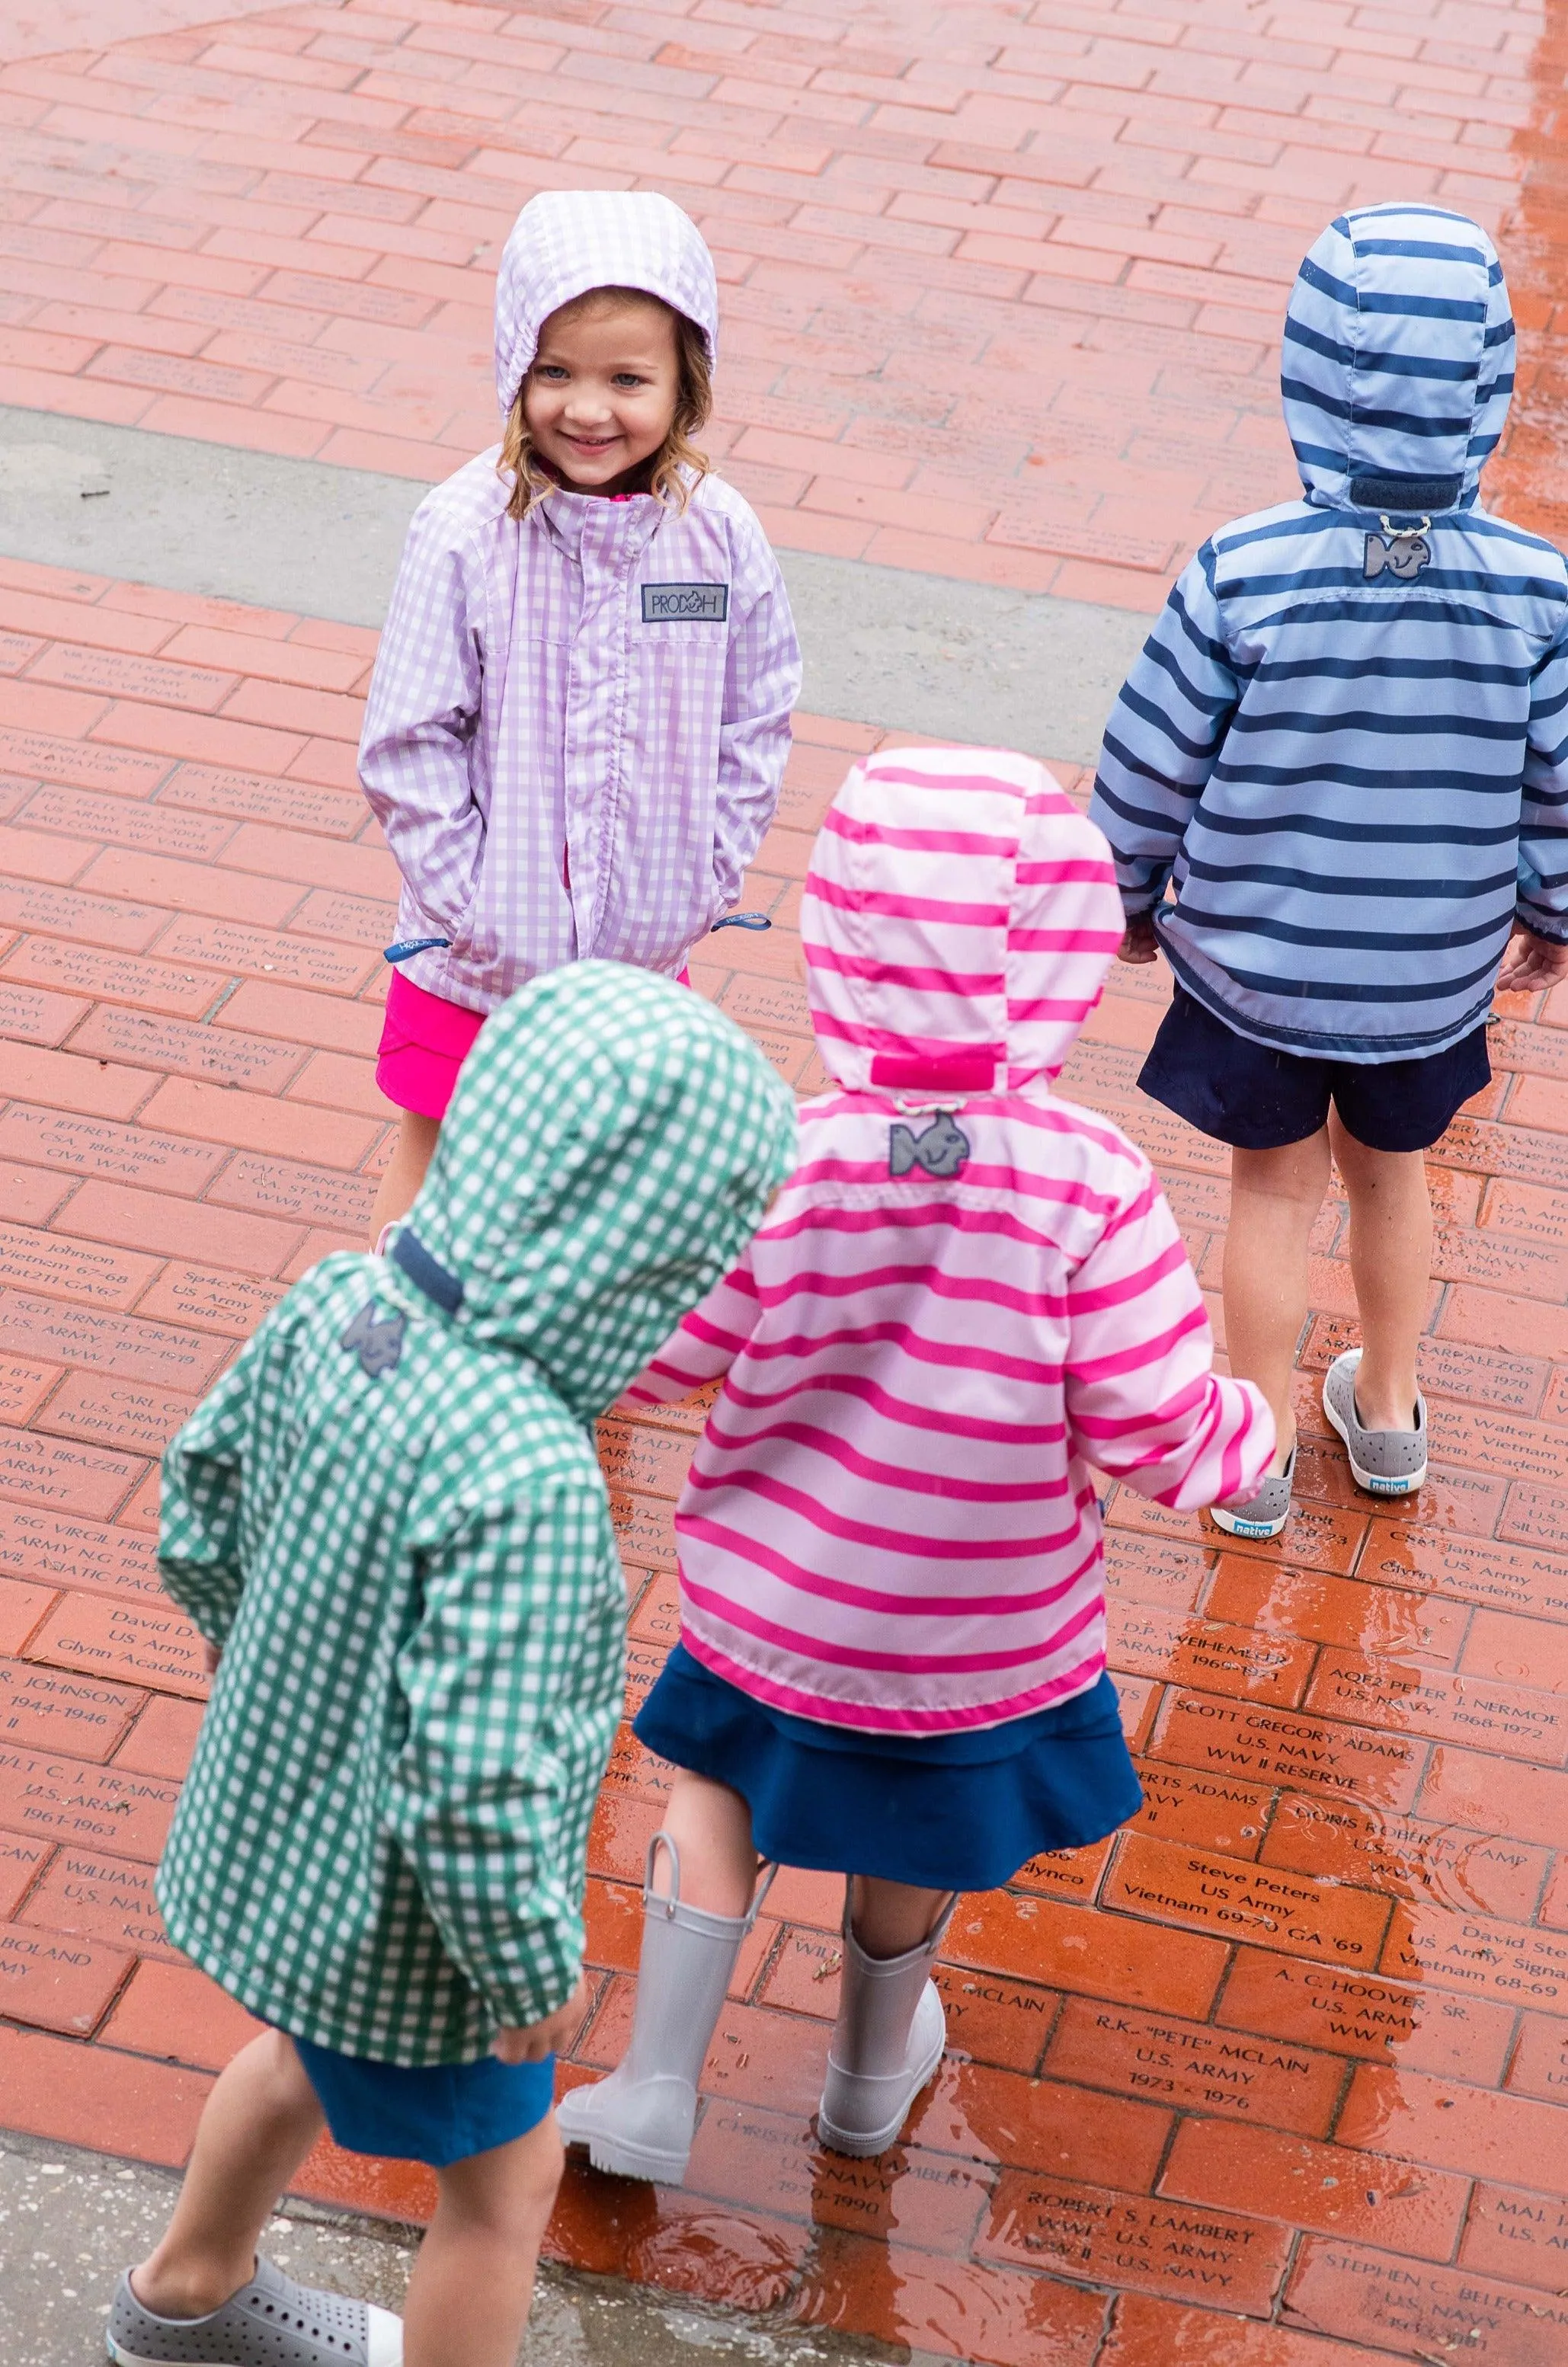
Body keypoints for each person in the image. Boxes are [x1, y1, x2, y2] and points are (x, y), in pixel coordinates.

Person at [556, 747, 1274, 2185]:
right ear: (1059, 954)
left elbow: (676, 1347)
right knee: (913, 1840)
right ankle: (868, 2080)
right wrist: (1236, 1434)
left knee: (715, 1785)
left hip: (774, 1596)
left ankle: (652, 2080)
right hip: (979, 1620)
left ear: (844, 939)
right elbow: (1144, 1417)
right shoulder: (1089, 1180)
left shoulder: (782, 1151)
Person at [109, 964, 796, 2367]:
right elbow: (471, 1786)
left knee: (296, 2047)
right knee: (504, 2190)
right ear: (641, 1251)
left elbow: (199, 1503)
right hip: (419, 1936)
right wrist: (526, 1973)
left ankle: (181, 2294)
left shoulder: (339, 1299)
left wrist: (278, 1680)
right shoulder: (528, 1473)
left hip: (281, 1841)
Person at [1090, 201, 1568, 1542]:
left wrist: (1124, 895)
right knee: (1390, 1178)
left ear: (1310, 368)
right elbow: (1559, 783)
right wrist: (1551, 912)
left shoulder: (1245, 571)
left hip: (1261, 963)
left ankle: (1249, 1439)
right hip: (1427, 974)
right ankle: (1393, 1407)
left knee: (1272, 1190)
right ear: (1486, 387)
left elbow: (1149, 761)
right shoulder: (1536, 590)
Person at [359, 188, 801, 1243]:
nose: (588, 408)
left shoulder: (714, 540)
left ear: (684, 384)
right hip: (474, 960)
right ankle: (385, 1359)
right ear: (515, 366)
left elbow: (757, 710)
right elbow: (408, 737)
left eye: (626, 379)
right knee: (436, 1149)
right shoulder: (465, 531)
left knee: (606, 1182)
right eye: (555, 371)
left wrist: (705, 871)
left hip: (638, 960)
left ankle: (569, 1362)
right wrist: (474, 905)